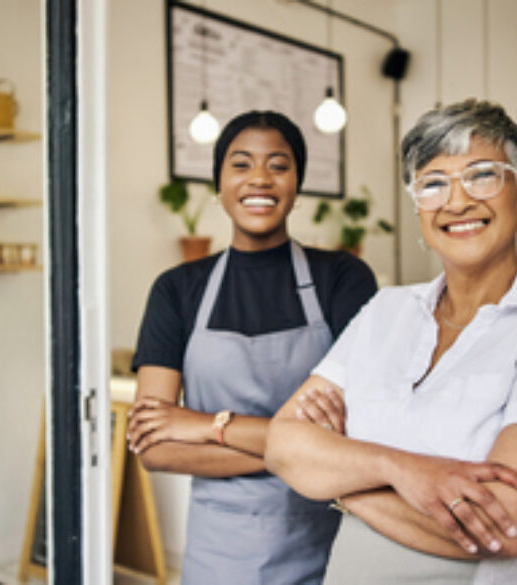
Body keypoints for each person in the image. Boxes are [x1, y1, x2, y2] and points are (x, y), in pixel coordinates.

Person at [266, 99, 517, 584]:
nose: (457, 202)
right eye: (434, 184)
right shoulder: (386, 311)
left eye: (482, 175)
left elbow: (511, 522)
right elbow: (283, 444)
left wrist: (343, 485)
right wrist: (401, 469)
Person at [128, 110, 378, 585]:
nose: (260, 178)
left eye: (279, 165)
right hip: (218, 558)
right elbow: (155, 448)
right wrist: (304, 448)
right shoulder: (177, 289)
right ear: (219, 183)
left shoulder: (342, 278)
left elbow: (357, 429)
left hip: (327, 550)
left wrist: (205, 426)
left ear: (297, 184)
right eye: (241, 164)